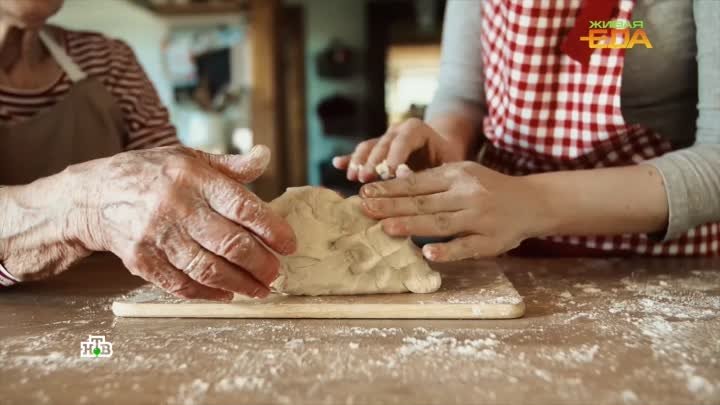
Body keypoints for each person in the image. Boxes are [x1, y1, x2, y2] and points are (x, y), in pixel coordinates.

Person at [335, 0, 720, 260]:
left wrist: (531, 200)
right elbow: (462, 94)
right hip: (498, 249)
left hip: (658, 264)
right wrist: (445, 142)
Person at [0, 0, 297, 300]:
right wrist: (85, 206)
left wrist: (197, 196)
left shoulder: (106, 60)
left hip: (113, 304)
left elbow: (165, 185)